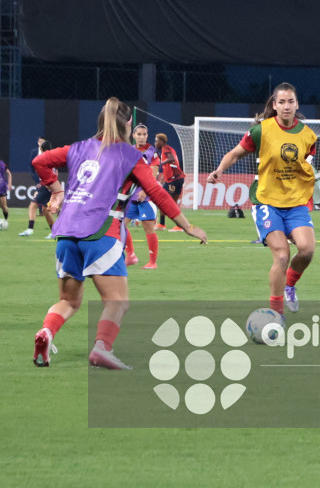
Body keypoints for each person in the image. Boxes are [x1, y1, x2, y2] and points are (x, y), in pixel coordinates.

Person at [31, 97, 207, 369]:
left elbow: (40, 160)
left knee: (68, 300)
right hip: (102, 234)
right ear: (128, 124)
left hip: (66, 234)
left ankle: (46, 332)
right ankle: (102, 348)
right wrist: (188, 226)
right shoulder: (129, 155)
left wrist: (56, 189)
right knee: (117, 302)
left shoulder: (78, 148)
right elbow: (157, 192)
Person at [207, 82, 317, 315]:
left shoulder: (308, 135)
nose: (286, 106)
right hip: (267, 202)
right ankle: (276, 314)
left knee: (307, 250)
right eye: (282, 102)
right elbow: (235, 153)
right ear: (274, 105)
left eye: (291, 102)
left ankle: (289, 285)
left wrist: (319, 199)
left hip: (295, 204)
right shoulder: (261, 130)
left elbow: (306, 170)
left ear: (297, 104)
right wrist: (220, 169)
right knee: (282, 254)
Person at [123, 123, 161, 269]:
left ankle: (152, 262)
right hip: (131, 196)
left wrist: (145, 191)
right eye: (139, 134)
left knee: (148, 229)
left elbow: (153, 174)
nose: (142, 137)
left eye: (144, 134)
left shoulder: (152, 152)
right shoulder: (130, 151)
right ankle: (131, 255)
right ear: (133, 136)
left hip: (147, 197)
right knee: (119, 224)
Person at [19, 140, 56, 238]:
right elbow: (55, 173)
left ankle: (30, 229)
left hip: (46, 187)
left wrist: (42, 185)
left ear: (42, 149)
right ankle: (54, 232)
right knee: (45, 210)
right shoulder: (52, 159)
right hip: (50, 187)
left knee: (33, 206)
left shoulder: (44, 159)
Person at [154, 133, 186, 232]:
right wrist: (164, 177)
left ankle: (176, 225)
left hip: (174, 179)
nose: (155, 143)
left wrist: (160, 163)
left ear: (161, 141)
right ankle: (163, 224)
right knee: (168, 202)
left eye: (156, 141)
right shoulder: (168, 149)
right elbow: (171, 165)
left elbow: (171, 159)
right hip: (174, 179)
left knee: (166, 201)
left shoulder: (166, 149)